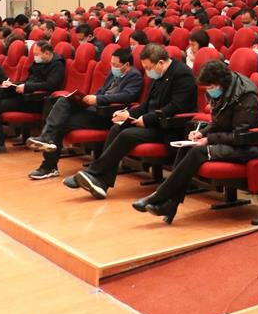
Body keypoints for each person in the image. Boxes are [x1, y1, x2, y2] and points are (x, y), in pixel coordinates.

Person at [132, 60, 258, 223]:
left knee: (198, 151)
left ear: (221, 82)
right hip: (233, 142)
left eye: (211, 87)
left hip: (250, 146)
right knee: (186, 147)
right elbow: (218, 123)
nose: (210, 91)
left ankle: (158, 197)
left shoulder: (245, 97)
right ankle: (170, 204)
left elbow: (240, 135)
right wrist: (201, 133)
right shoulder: (223, 90)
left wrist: (208, 139)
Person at [67, 43, 197, 199]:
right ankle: (102, 182)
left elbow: (176, 106)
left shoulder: (182, 74)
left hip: (167, 127)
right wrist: (128, 113)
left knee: (127, 134)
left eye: (148, 68)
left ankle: (93, 173)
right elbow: (146, 104)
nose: (147, 72)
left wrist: (146, 119)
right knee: (116, 128)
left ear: (161, 63)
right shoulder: (159, 73)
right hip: (152, 122)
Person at [25, 47, 143, 180]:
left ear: (126, 65)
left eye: (115, 65)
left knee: (60, 121)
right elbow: (103, 90)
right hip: (95, 110)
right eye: (111, 63)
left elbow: (127, 96)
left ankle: (48, 159)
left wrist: (98, 99)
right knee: (63, 103)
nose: (112, 67)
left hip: (106, 116)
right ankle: (48, 157)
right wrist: (88, 98)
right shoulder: (113, 73)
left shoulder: (135, 76)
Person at [0, 40, 65, 155]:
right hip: (25, 94)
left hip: (36, 100)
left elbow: (51, 85)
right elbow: (28, 80)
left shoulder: (57, 65)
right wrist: (13, 84)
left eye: (37, 54)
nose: (35, 57)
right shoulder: (39, 62)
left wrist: (26, 87)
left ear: (47, 53)